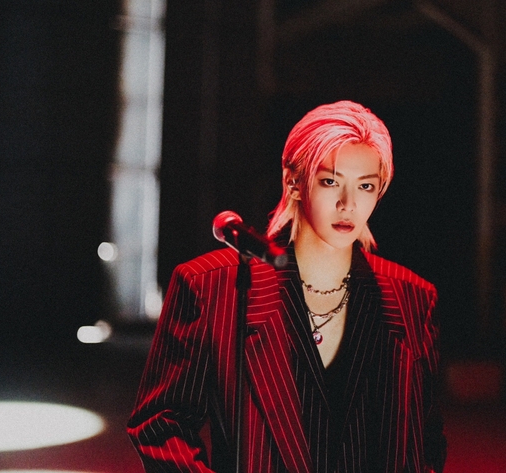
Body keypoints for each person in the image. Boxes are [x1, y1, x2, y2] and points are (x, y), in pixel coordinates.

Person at [127, 100, 447, 472]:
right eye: (330, 181)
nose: (348, 204)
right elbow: (160, 424)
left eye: (365, 186)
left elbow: (426, 442)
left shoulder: (412, 298)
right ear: (293, 181)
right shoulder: (210, 287)